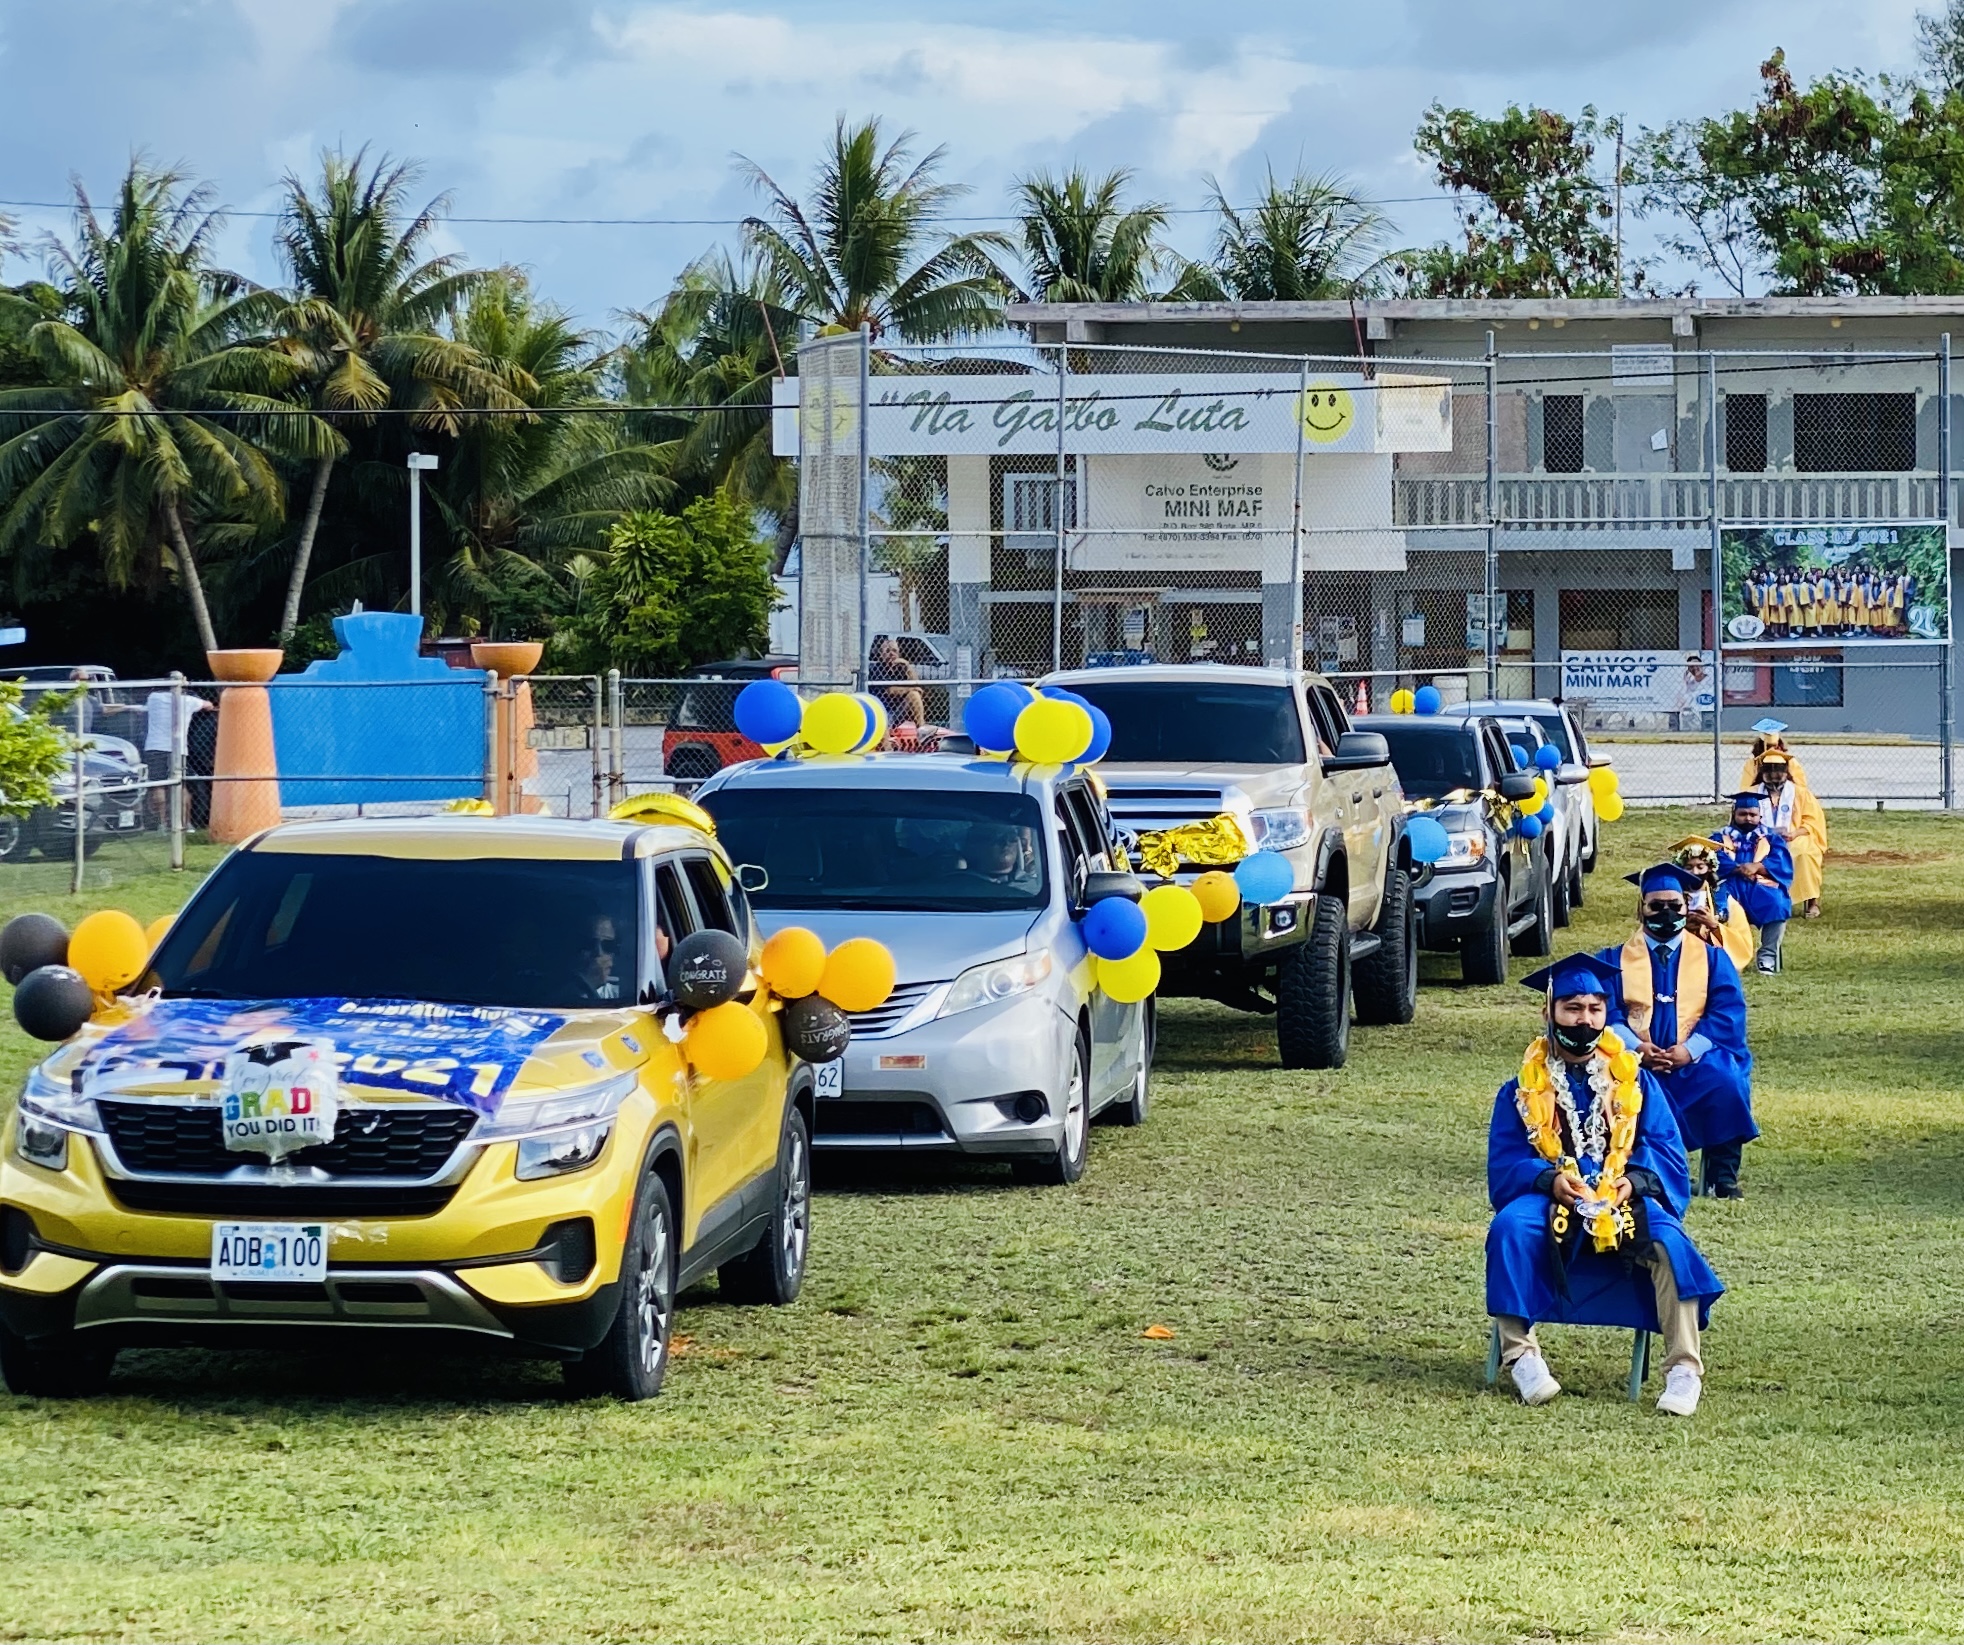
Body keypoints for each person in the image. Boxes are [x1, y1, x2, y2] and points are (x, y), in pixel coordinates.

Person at [1486, 952, 1723, 1415]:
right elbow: (1506, 1159)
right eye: (1573, 1008)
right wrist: (1549, 1179)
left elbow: (1663, 1146)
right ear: (1549, 1012)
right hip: (1552, 1196)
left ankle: (1683, 1369)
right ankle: (1521, 1356)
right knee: (1510, 1230)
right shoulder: (1519, 1088)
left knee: (1670, 1243)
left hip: (1621, 1193)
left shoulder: (1635, 1081)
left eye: (1595, 1009)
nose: (1585, 1019)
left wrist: (1631, 1184)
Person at [1597, 863, 1758, 1199]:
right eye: (1656, 906)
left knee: (1725, 1081)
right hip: (1635, 1063)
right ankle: (1635, 1171)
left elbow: (1727, 1012)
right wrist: (1635, 1048)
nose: (1666, 913)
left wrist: (1690, 1049)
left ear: (1687, 908)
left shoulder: (1714, 959)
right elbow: (1606, 1012)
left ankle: (1722, 1176)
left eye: (1675, 906)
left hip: (1696, 1061)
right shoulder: (1613, 960)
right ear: (1641, 909)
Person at [1712, 791, 1793, 974]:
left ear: (1760, 816)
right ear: (1734, 814)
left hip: (1761, 884)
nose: (1748, 818)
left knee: (1777, 903)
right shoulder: (1719, 837)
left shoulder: (1771, 838)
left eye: (1752, 815)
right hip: (1730, 883)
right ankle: (1728, 956)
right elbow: (1713, 860)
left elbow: (1781, 862)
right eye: (1743, 814)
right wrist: (1740, 868)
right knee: (1718, 907)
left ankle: (1767, 957)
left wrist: (1757, 866)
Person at [1755, 750, 1827, 918]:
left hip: (1793, 837)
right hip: (1760, 839)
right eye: (1769, 772)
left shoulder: (1801, 794)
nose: (1774, 776)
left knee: (1804, 853)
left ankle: (1811, 901)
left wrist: (1795, 833)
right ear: (1762, 774)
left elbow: (1812, 821)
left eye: (1778, 772)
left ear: (1786, 773)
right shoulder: (1752, 793)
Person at [1669, 835, 1756, 971]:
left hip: (1713, 964)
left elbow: (1742, 942)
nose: (1694, 872)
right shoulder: (1669, 897)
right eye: (1688, 867)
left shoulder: (1725, 901)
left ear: (1710, 868)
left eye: (1700, 866)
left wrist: (1714, 926)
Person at [140, 687, 212, 827]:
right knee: (181, 785)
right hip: (178, 749)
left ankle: (162, 824)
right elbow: (208, 705)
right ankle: (185, 823)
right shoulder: (189, 700)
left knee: (158, 785)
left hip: (155, 747)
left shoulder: (154, 697)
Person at [868, 637, 925, 728]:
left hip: (899, 710)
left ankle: (921, 729)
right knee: (913, 693)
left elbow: (917, 685)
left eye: (894, 651)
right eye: (887, 651)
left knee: (914, 695)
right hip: (883, 713)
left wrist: (907, 665)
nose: (891, 654)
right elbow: (890, 691)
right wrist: (911, 689)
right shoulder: (877, 669)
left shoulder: (901, 667)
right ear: (881, 654)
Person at [571, 910, 625, 1003]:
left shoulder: (624, 995)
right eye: (589, 944)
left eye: (608, 945)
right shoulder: (557, 991)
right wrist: (588, 983)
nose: (599, 953)